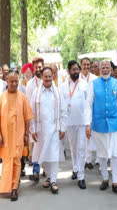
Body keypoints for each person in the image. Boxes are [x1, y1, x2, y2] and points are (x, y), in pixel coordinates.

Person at [85, 60, 117, 196]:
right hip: (98, 124)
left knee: (115, 153)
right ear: (99, 70)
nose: (105, 70)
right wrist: (87, 123)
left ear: (111, 69)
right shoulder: (93, 84)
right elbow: (88, 104)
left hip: (114, 124)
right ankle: (105, 178)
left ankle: (115, 182)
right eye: (103, 68)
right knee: (102, 153)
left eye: (107, 67)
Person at [30, 67, 67, 194]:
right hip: (41, 130)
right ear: (41, 77)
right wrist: (33, 129)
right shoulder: (36, 92)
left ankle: (53, 180)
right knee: (43, 156)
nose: (47, 79)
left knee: (54, 155)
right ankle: (48, 177)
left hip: (54, 128)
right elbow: (32, 112)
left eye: (49, 76)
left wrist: (63, 127)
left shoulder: (57, 91)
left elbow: (63, 111)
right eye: (45, 76)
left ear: (53, 77)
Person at [0, 70, 33, 201]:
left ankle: (14, 188)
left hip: (19, 135)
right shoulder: (1, 97)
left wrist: (26, 134)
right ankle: (5, 187)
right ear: (6, 81)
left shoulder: (23, 97)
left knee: (17, 161)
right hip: (5, 136)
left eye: (16, 81)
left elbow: (28, 117)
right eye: (11, 81)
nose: (14, 83)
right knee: (7, 161)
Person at [60, 60, 88, 189]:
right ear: (69, 71)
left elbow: (88, 103)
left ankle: (81, 176)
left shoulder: (84, 84)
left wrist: (89, 122)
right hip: (70, 122)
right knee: (73, 147)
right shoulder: (63, 85)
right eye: (73, 69)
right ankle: (75, 169)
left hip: (82, 121)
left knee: (81, 148)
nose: (76, 71)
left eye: (77, 69)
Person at [26, 57, 44, 182]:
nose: (39, 69)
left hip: (47, 120)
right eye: (37, 67)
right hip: (36, 120)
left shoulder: (47, 80)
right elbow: (28, 104)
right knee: (37, 146)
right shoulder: (30, 84)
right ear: (33, 69)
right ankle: (36, 171)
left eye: (40, 67)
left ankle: (47, 170)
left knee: (46, 145)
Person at [79, 57, 98, 169]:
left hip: (93, 110)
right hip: (80, 111)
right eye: (84, 65)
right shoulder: (77, 78)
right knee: (83, 136)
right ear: (81, 66)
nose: (86, 67)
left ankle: (94, 159)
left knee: (93, 135)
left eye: (87, 65)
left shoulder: (95, 78)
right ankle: (86, 159)